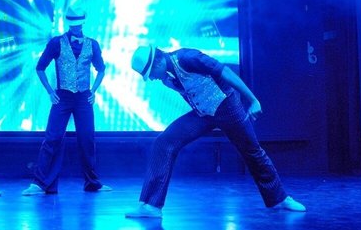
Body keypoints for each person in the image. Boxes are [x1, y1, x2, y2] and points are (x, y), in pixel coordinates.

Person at [126, 44, 305, 218]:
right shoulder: (167, 78)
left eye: (150, 74)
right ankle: (151, 205)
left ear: (157, 62)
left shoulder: (188, 57)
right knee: (164, 142)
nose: (151, 79)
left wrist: (253, 100)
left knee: (252, 151)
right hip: (203, 114)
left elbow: (225, 72)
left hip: (227, 107)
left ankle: (280, 199)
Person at [22, 6, 111, 196]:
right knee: (52, 138)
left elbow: (101, 69)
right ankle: (40, 184)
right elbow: (40, 67)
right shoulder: (56, 43)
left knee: (87, 139)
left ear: (83, 22)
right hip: (62, 97)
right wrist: (49, 91)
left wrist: (93, 90)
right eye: (73, 24)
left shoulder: (93, 44)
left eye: (78, 24)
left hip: (83, 98)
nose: (76, 27)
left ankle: (92, 183)